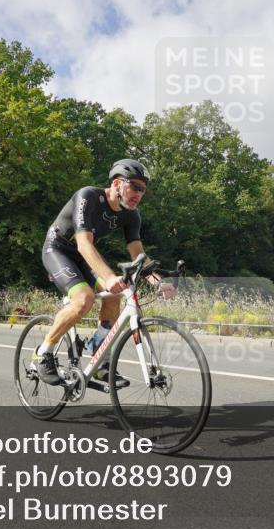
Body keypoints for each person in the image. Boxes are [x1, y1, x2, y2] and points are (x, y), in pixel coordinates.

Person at [35, 159, 175, 386]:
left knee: (115, 296)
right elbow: (83, 243)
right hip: (58, 250)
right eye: (135, 187)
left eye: (143, 190)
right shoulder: (88, 197)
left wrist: (158, 282)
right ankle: (43, 352)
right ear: (118, 183)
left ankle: (100, 359)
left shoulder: (131, 215)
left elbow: (138, 255)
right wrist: (109, 277)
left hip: (82, 256)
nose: (139, 194)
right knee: (84, 300)